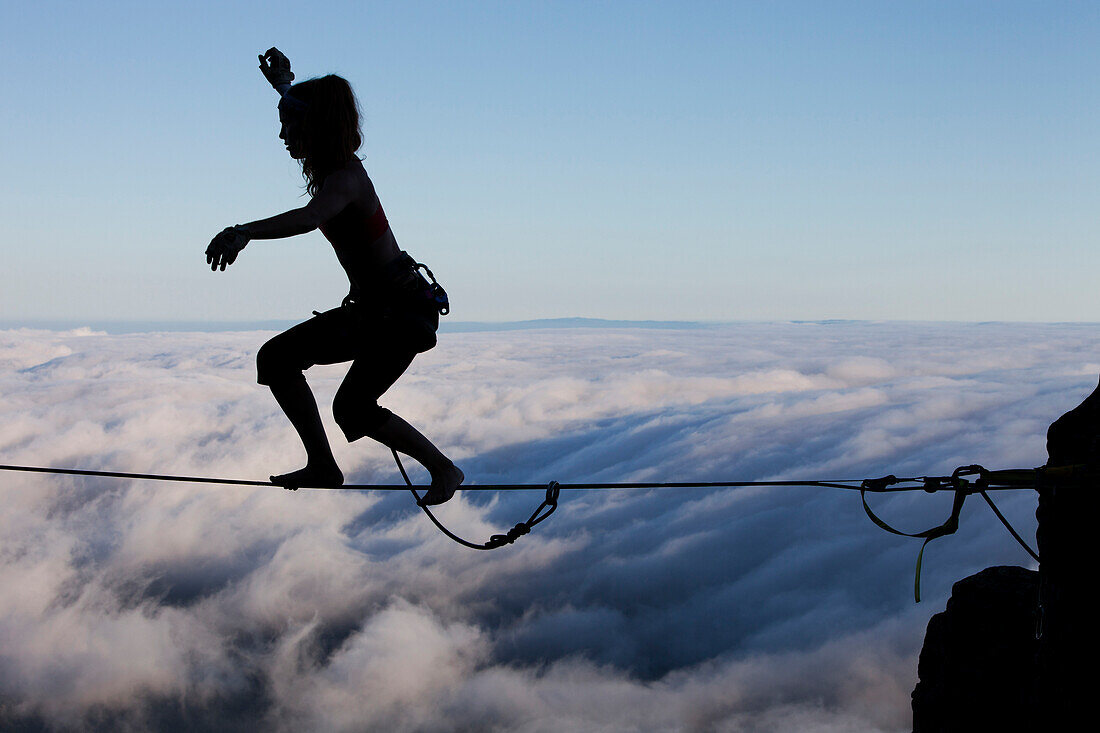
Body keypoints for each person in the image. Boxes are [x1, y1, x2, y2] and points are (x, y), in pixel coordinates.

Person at [205, 48, 463, 504]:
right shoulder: (339, 173)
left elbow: (309, 217)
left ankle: (444, 469)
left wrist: (243, 231)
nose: (282, 134)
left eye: (291, 127)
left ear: (316, 130)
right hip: (379, 312)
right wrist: (284, 83)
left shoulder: (345, 180)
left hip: (400, 314)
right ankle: (324, 465)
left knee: (351, 407)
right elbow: (299, 105)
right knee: (279, 361)